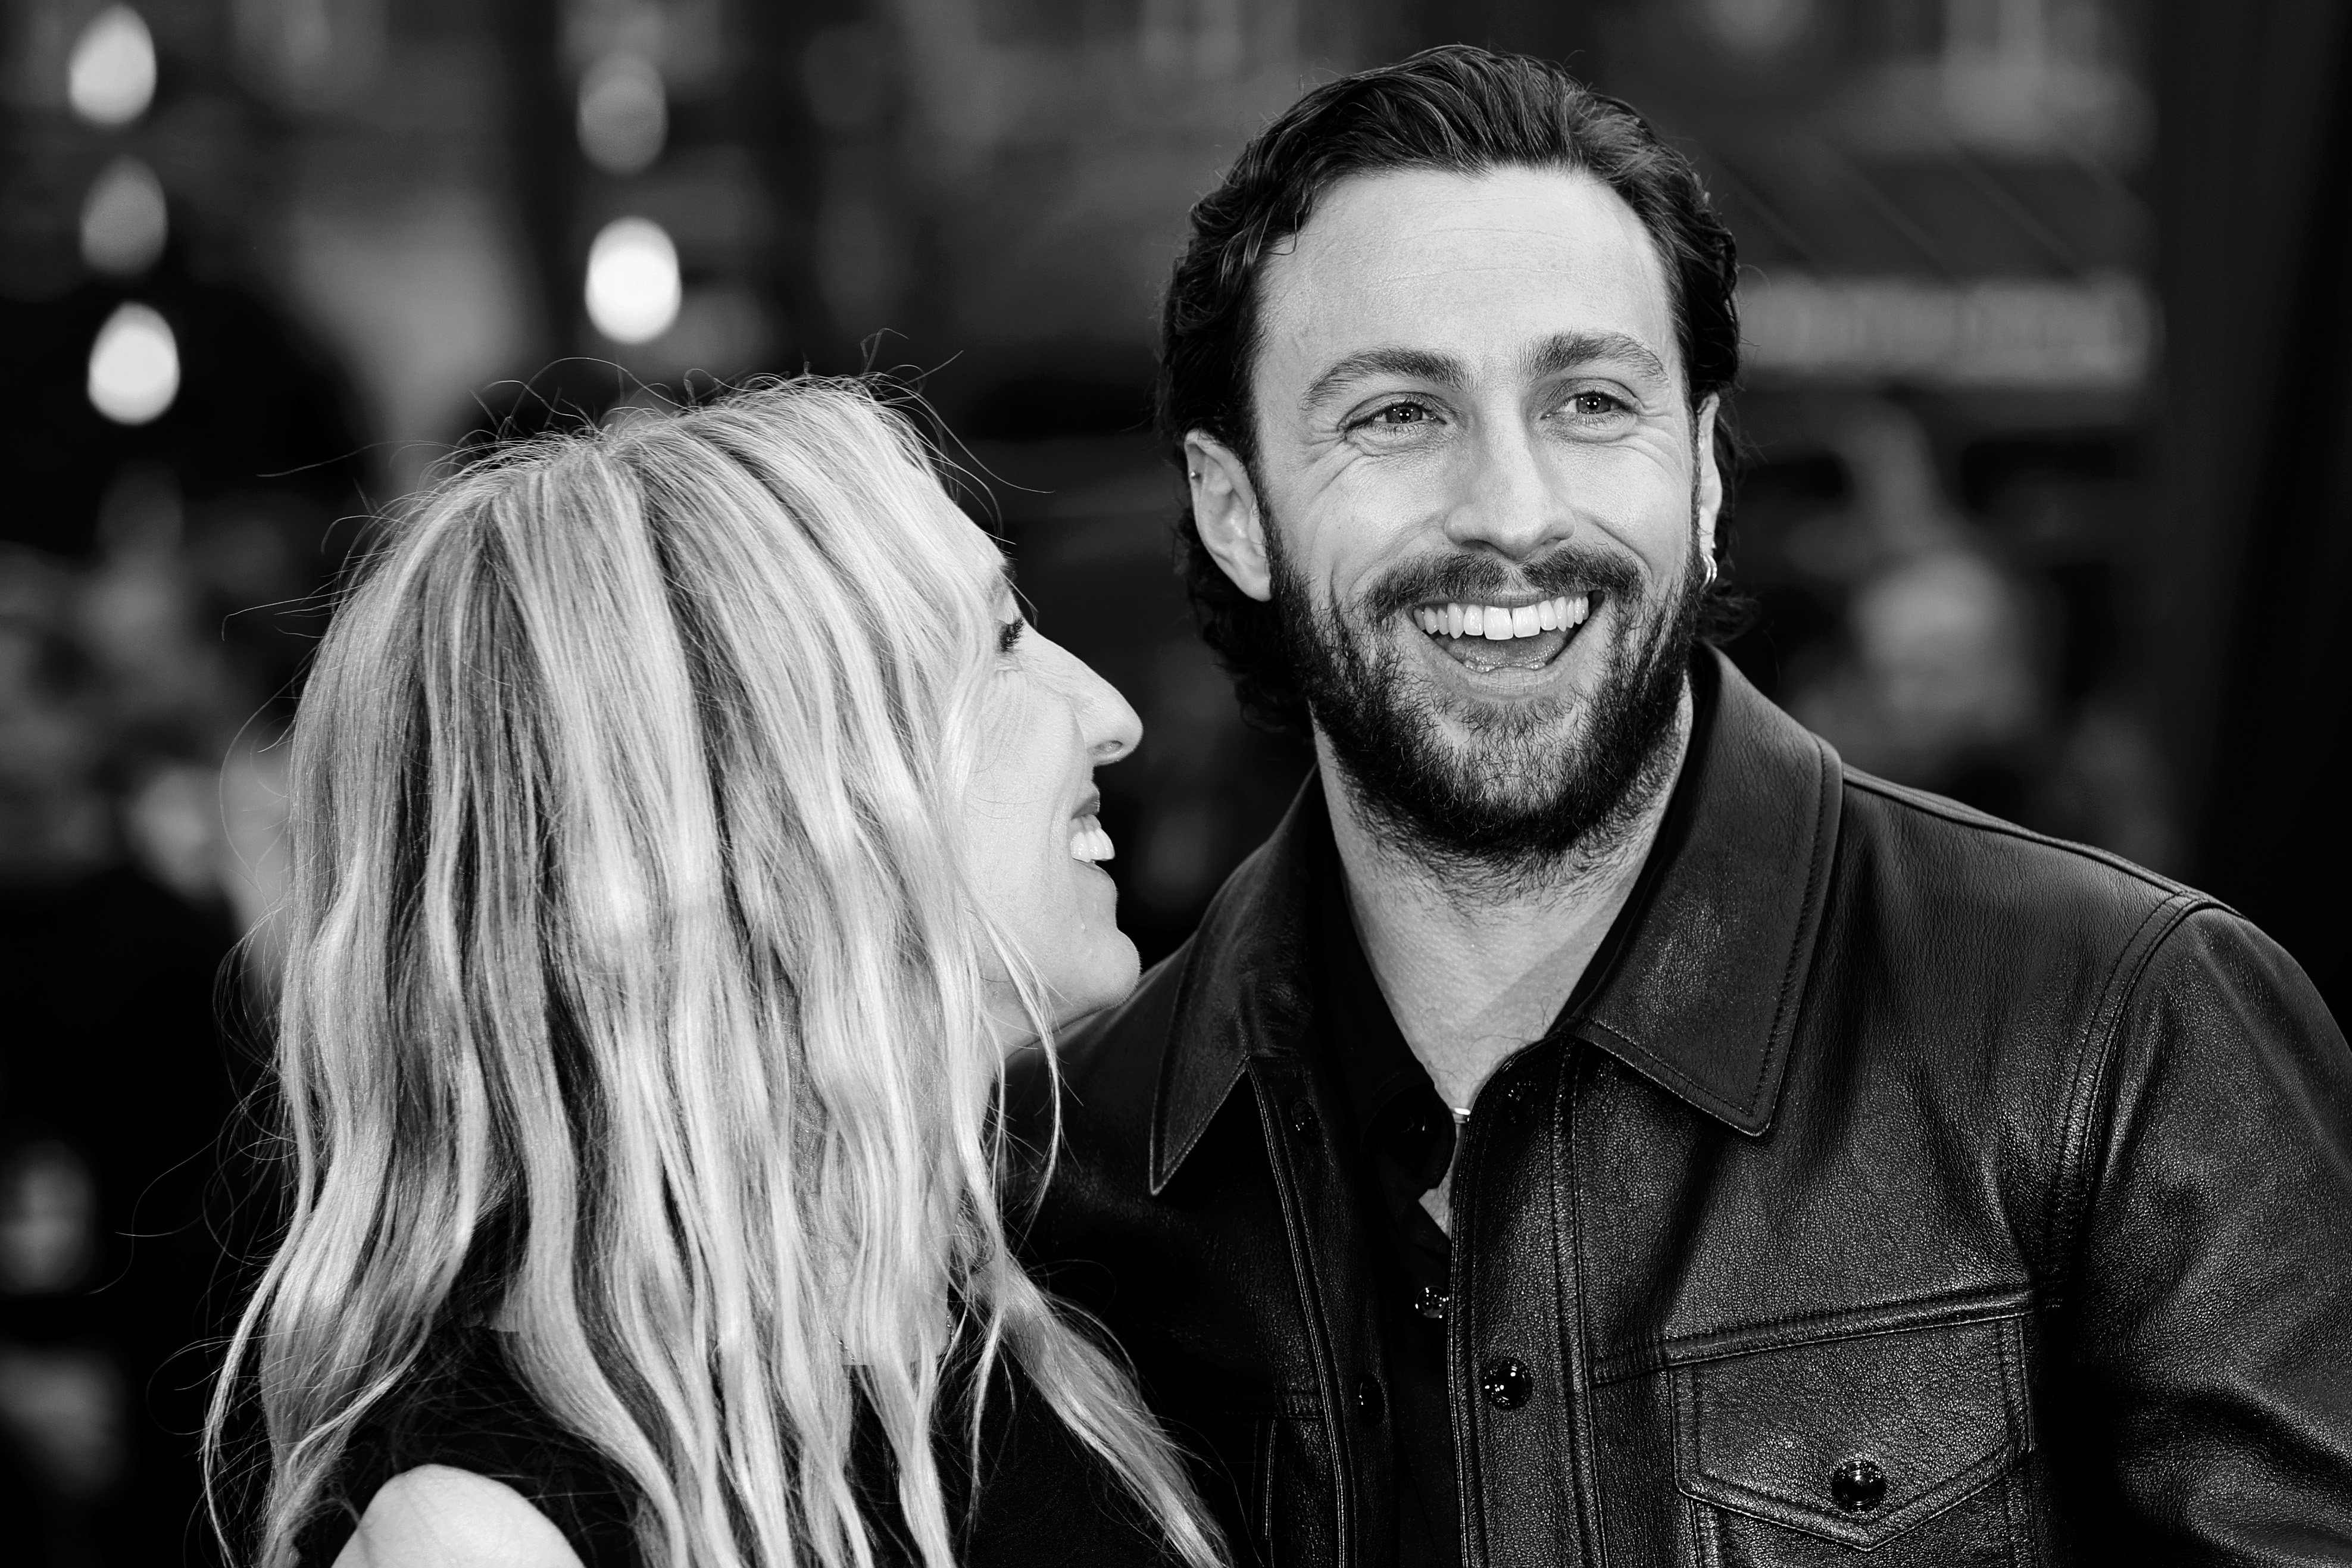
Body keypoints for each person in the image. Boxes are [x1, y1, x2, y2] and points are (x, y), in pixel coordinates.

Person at [1004, 45, 2352, 1567]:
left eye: (1588, 400)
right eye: (1393, 415)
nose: (1510, 512)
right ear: (1235, 509)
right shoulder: (1073, 1187)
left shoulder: (2121, 1034)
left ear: (1702, 477)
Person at [207, 379, 1226, 1568]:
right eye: (999, 645)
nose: (1108, 715)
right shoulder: (488, 1531)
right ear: (777, 813)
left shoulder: (1065, 1335)